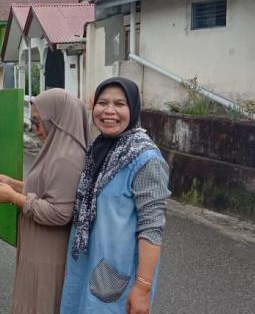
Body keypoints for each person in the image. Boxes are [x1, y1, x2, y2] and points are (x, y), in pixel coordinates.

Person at [60, 77, 172, 314]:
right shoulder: (99, 148)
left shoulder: (145, 160)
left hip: (115, 275)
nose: (109, 111)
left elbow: (152, 229)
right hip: (85, 265)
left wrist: (142, 288)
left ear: (133, 108)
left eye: (120, 104)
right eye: (103, 102)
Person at [0, 88, 89, 314]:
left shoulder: (67, 158)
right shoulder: (56, 150)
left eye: (39, 122)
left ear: (57, 120)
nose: (35, 130)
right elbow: (47, 191)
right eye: (32, 122)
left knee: (42, 303)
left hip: (49, 252)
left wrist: (14, 198)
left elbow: (60, 213)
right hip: (40, 247)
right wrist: (14, 183)